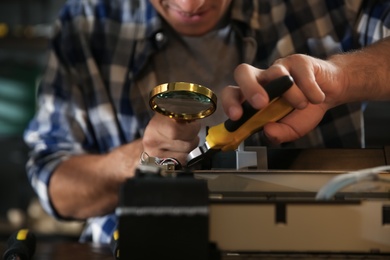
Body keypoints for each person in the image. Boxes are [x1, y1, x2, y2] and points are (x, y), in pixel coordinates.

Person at [23, 0, 390, 244]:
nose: (191, 4)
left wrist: (339, 77)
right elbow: (55, 186)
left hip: (315, 242)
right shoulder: (87, 20)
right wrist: (143, 158)